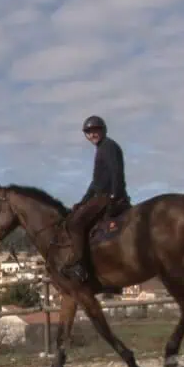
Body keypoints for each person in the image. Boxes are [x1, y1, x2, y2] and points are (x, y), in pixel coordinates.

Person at [59, 115, 131, 286]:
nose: (92, 135)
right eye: (89, 132)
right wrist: (83, 201)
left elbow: (116, 173)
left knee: (74, 223)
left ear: (103, 130)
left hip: (107, 197)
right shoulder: (102, 148)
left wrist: (115, 196)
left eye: (95, 130)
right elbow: (96, 182)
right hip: (101, 195)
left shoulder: (108, 147)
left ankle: (79, 264)